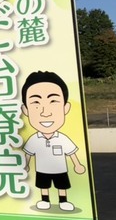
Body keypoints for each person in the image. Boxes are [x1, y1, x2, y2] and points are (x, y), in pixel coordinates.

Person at [20, 71, 86, 212]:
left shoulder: (62, 138)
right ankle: (45, 200)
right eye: (36, 103)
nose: (45, 112)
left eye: (53, 101)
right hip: (42, 169)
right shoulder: (34, 139)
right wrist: (25, 165)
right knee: (43, 185)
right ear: (26, 110)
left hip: (60, 169)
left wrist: (78, 165)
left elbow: (71, 152)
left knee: (62, 185)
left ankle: (63, 201)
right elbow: (28, 154)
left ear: (65, 107)